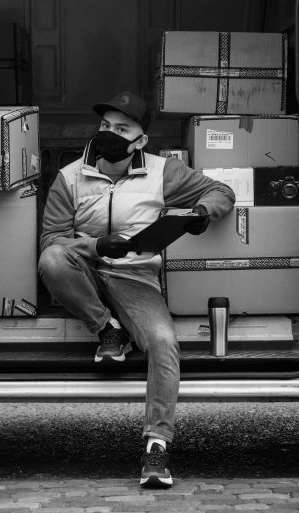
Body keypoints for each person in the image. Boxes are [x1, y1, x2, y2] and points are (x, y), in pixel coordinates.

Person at [38, 91, 235, 488]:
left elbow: (221, 192)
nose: (110, 133)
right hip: (86, 270)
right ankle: (107, 328)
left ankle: (157, 447)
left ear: (141, 140)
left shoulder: (165, 172)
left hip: (135, 278)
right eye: (106, 126)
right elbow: (51, 240)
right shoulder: (70, 175)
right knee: (52, 262)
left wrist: (200, 213)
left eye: (122, 128)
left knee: (163, 342)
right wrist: (95, 246)